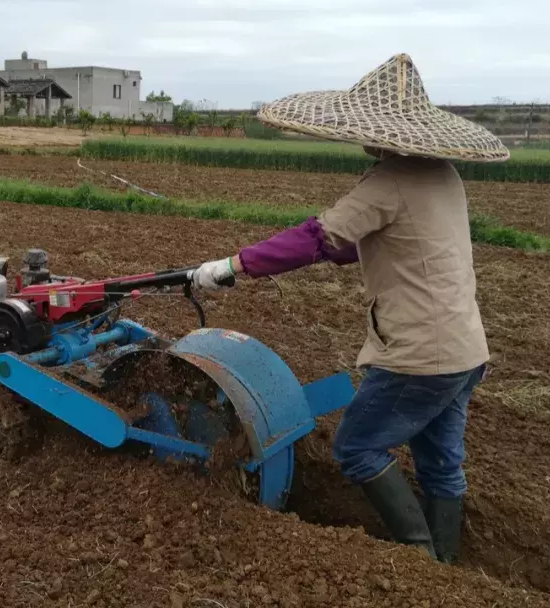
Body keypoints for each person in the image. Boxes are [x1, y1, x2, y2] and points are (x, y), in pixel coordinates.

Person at [190, 54, 509, 563]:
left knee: (357, 448)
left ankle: (418, 560)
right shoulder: (443, 174)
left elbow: (318, 237)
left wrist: (234, 264)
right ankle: (447, 568)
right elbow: (364, 240)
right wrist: (321, 246)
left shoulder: (389, 180)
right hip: (465, 349)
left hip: (418, 355)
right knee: (442, 464)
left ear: (380, 132)